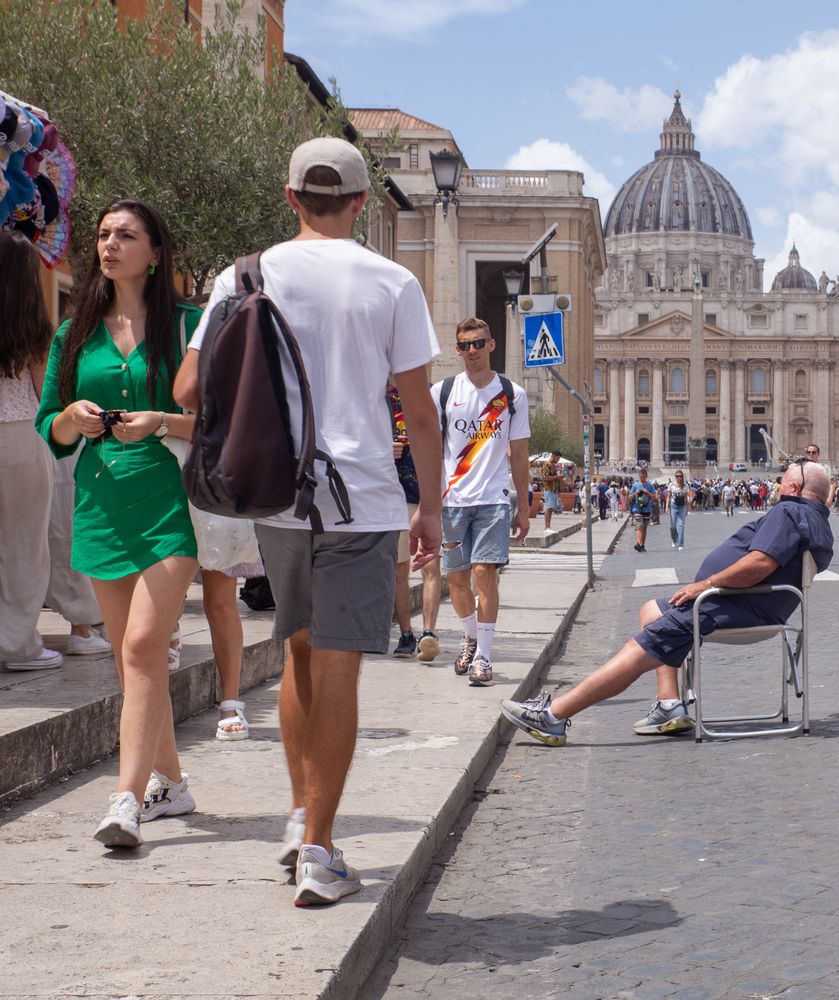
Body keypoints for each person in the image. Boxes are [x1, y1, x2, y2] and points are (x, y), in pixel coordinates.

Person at [176, 138, 443, 903]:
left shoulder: (244, 274)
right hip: (362, 497)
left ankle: (300, 817)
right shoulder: (394, 282)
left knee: (297, 652)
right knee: (338, 668)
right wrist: (430, 507)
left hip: (277, 494)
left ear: (290, 197)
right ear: (361, 203)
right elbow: (419, 412)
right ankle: (320, 853)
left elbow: (188, 387)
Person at [36, 200, 202, 847]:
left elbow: (220, 421)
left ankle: (125, 799)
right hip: (101, 500)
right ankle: (173, 784)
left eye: (126, 235)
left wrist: (161, 421)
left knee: (140, 648)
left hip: (170, 500)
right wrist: (70, 418)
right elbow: (48, 427)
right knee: (134, 660)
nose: (109, 244)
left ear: (155, 252)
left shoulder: (188, 326)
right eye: (104, 234)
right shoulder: (73, 333)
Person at [500, 460, 835, 744]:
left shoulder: (789, 511)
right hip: (746, 605)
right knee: (652, 609)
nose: (778, 486)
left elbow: (759, 564)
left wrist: (705, 585)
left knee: (641, 647)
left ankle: (554, 715)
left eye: (783, 481)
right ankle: (669, 704)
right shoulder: (815, 518)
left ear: (794, 486)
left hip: (729, 606)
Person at [432, 317, 531, 687]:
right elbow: (430, 450)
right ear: (458, 350)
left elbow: (519, 455)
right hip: (452, 500)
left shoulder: (511, 394)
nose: (471, 350)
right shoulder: (442, 392)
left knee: (483, 574)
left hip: (493, 500)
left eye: (477, 343)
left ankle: (485, 658)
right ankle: (471, 637)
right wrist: (428, 504)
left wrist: (524, 508)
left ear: (491, 344)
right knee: (457, 580)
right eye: (464, 345)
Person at [1, 232, 69, 671]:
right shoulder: (35, 331)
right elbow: (47, 394)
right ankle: (18, 645)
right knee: (24, 546)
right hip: (21, 437)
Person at [386, 384, 439, 660]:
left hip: (427, 496)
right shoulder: (382, 398)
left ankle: (428, 633)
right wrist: (383, 449)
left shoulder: (431, 395)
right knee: (400, 571)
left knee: (430, 566)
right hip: (395, 496)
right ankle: (406, 633)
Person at [629, 466, 655, 551]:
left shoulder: (650, 485)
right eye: (641, 477)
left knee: (644, 528)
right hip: (637, 509)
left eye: (643, 477)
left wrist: (647, 492)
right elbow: (629, 498)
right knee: (639, 526)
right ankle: (638, 543)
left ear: (646, 476)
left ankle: (642, 545)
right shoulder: (635, 485)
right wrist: (635, 493)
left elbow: (654, 497)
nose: (642, 478)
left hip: (647, 509)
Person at [539, 451, 565, 532]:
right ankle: (547, 527)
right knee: (548, 507)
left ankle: (548, 526)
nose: (558, 460)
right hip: (549, 489)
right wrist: (557, 477)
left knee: (551, 508)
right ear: (553, 456)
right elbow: (545, 477)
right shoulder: (547, 465)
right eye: (558, 458)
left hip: (553, 490)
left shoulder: (553, 466)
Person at [668, 469, 689, 550]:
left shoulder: (686, 486)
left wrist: (687, 508)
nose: (679, 477)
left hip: (682, 507)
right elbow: (668, 496)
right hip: (673, 506)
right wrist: (666, 507)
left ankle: (681, 544)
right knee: (672, 526)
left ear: (682, 476)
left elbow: (686, 498)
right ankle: (674, 539)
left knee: (681, 525)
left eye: (680, 476)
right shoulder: (671, 485)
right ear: (675, 477)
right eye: (677, 476)